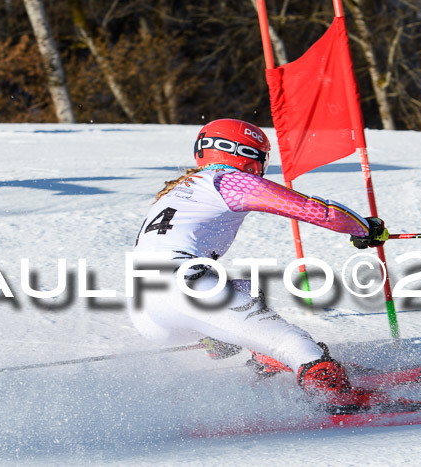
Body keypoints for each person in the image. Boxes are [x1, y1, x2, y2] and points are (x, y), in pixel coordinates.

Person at [129, 118, 395, 411]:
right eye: (260, 157)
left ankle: (264, 355)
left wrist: (217, 334)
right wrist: (363, 229)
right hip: (185, 285)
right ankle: (334, 393)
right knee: (292, 342)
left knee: (244, 289)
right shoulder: (227, 180)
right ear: (244, 153)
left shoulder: (177, 190)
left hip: (145, 306)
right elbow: (309, 209)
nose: (261, 166)